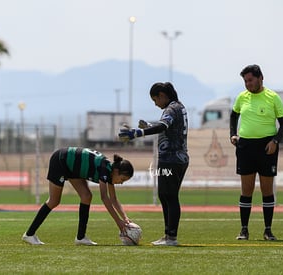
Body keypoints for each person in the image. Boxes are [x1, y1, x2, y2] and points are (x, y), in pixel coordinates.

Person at [118, 82, 189, 246]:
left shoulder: (171, 109)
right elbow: (170, 129)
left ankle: (171, 237)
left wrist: (139, 132)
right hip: (175, 158)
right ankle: (168, 235)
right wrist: (149, 127)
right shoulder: (177, 107)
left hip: (172, 159)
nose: (155, 103)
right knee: (165, 196)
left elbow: (163, 125)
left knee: (169, 196)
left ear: (162, 95)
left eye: (155, 99)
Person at [22, 147, 134, 245]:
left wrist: (124, 218)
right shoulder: (105, 169)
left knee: (86, 196)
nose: (121, 182)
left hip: (72, 168)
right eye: (122, 179)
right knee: (54, 201)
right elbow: (104, 197)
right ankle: (29, 234)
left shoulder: (110, 172)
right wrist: (118, 222)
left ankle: (81, 238)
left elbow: (113, 199)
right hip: (61, 160)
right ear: (116, 171)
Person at [229, 65, 283, 241]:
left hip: (266, 147)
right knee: (246, 190)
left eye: (250, 80)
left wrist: (275, 141)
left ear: (260, 78)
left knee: (266, 190)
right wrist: (233, 134)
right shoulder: (241, 97)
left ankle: (268, 230)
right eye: (245, 81)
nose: (248, 84)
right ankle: (244, 230)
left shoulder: (273, 97)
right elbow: (233, 116)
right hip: (246, 147)